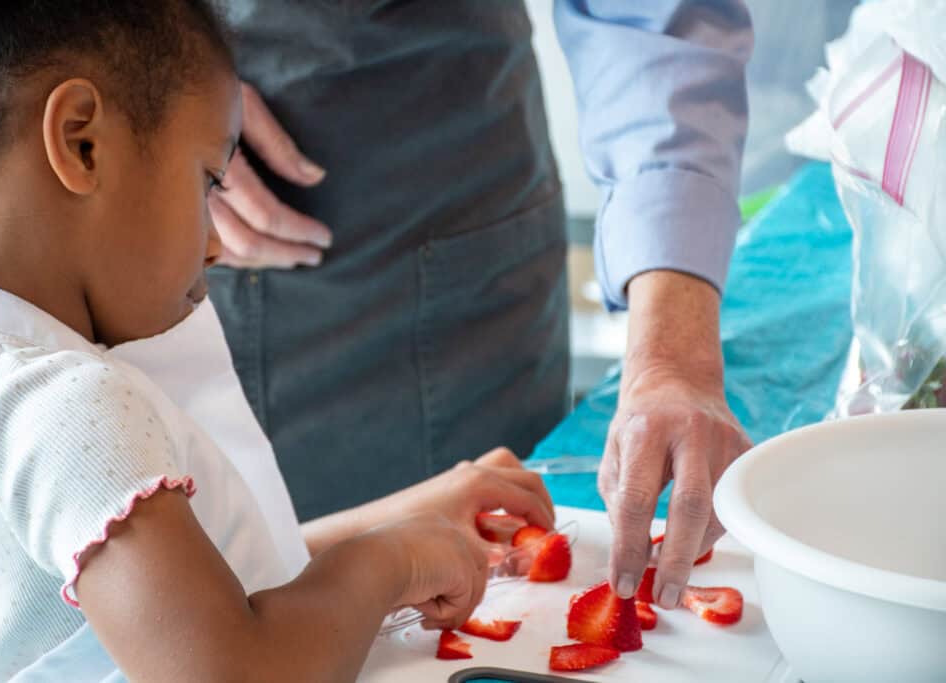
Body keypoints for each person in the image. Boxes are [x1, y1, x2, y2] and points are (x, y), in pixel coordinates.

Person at [0, 2, 554, 680]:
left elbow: (205, 589)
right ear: (83, 142)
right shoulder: (68, 407)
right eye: (206, 180)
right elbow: (236, 666)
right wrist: (390, 560)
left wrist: (404, 517)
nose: (219, 243)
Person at [209, 1, 755, 614]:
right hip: (172, 231)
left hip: (463, 255)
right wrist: (151, 103)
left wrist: (670, 357)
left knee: (514, 606)